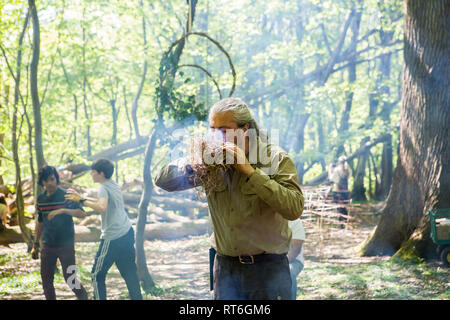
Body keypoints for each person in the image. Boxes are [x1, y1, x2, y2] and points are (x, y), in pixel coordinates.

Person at [155, 97, 304, 300]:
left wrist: (250, 172)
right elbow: (162, 180)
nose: (216, 136)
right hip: (225, 270)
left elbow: (294, 208)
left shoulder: (275, 158)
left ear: (244, 129)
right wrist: (193, 164)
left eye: (224, 130)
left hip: (267, 271)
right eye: (212, 129)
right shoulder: (210, 162)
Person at [65, 159, 142, 300]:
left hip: (113, 237)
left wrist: (81, 200)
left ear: (100, 173)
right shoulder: (112, 185)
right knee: (129, 273)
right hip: (126, 232)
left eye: (93, 172)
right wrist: (81, 197)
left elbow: (101, 207)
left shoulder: (103, 187)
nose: (91, 175)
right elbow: (102, 202)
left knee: (96, 274)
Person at [31, 165, 89, 300]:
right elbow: (40, 221)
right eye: (46, 180)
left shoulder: (66, 196)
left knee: (71, 279)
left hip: (66, 245)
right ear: (42, 183)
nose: (50, 183)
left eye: (52, 179)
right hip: (47, 245)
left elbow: (82, 214)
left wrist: (63, 210)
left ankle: (84, 297)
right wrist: (35, 243)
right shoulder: (41, 199)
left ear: (56, 179)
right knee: (46, 281)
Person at [329, 156, 351, 226]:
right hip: (346, 192)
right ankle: (345, 222)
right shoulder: (348, 170)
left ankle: (341, 224)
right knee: (344, 207)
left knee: (339, 208)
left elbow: (332, 179)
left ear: (339, 162)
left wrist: (330, 171)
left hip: (338, 191)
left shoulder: (336, 170)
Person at [287, 218, 306, 300]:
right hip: (267, 261)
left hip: (293, 261)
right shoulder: (264, 220)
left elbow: (295, 250)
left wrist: (279, 265)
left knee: (288, 272)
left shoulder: (294, 221)